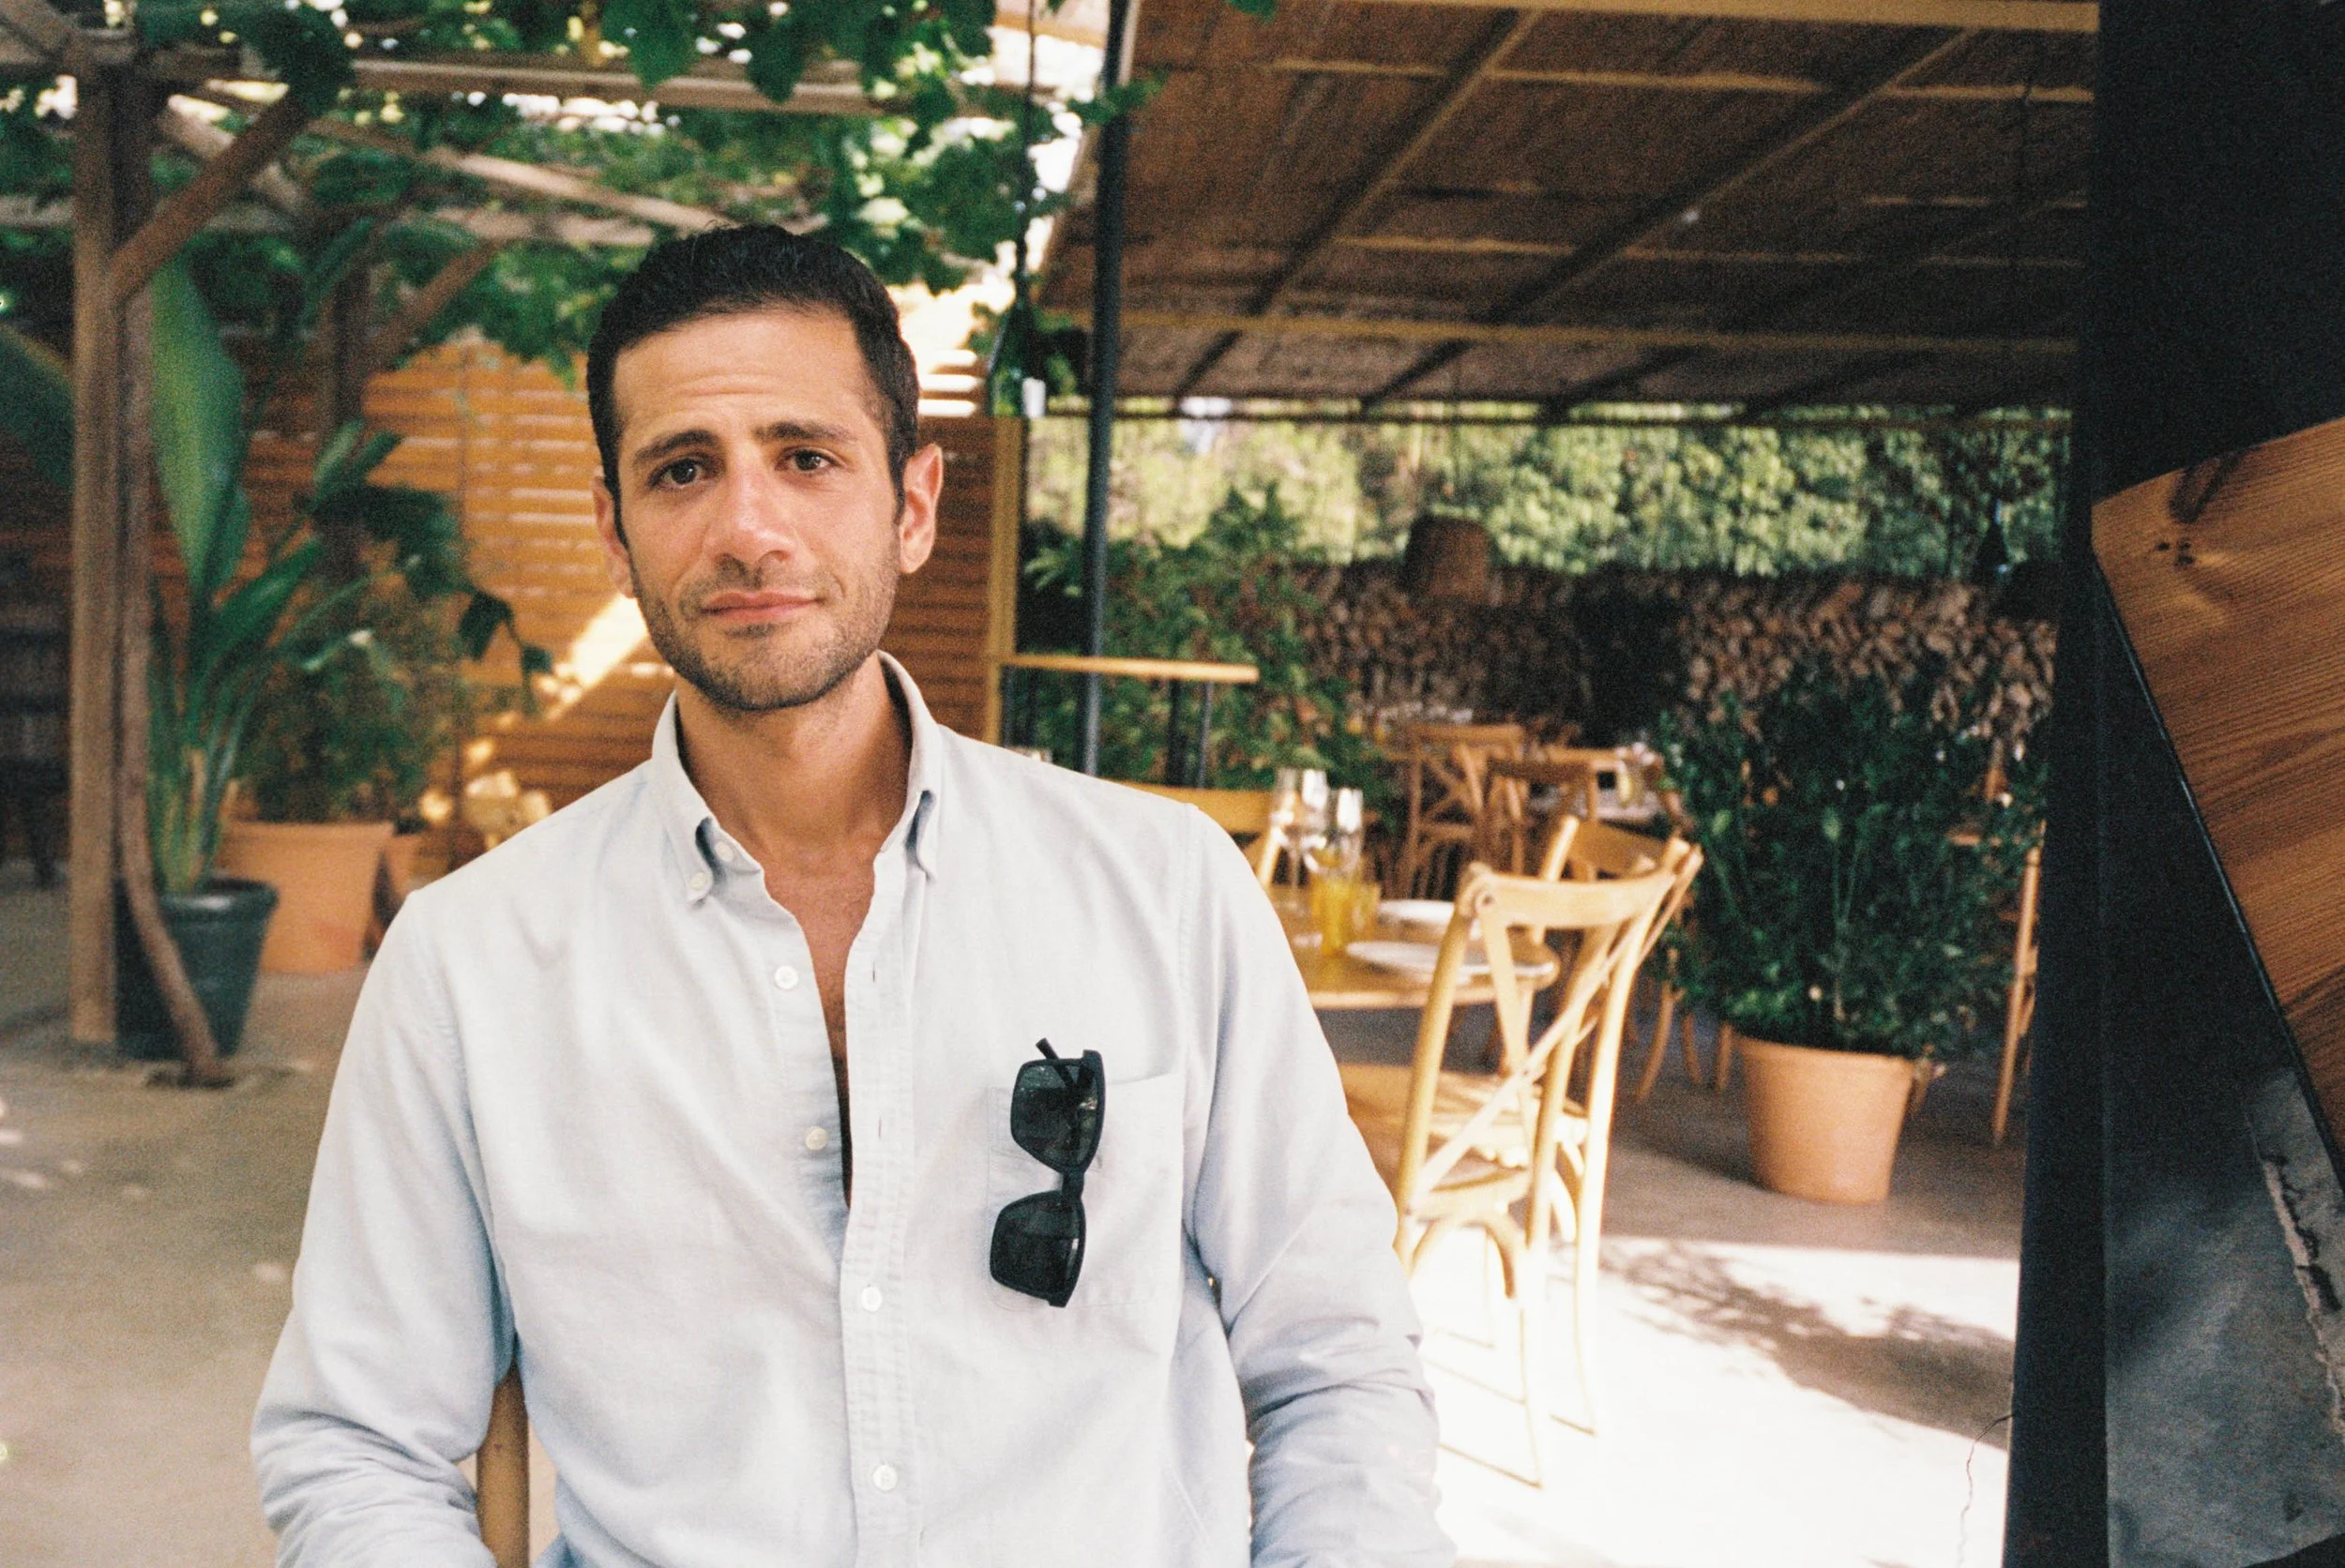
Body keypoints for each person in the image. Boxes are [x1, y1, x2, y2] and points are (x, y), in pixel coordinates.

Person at [251, 226, 1449, 1567]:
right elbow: (357, 1443)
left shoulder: (1165, 892)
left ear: (913, 506)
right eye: (682, 469)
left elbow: (1338, 1362)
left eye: (807, 457)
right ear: (614, 531)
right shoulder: (471, 964)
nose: (748, 529)